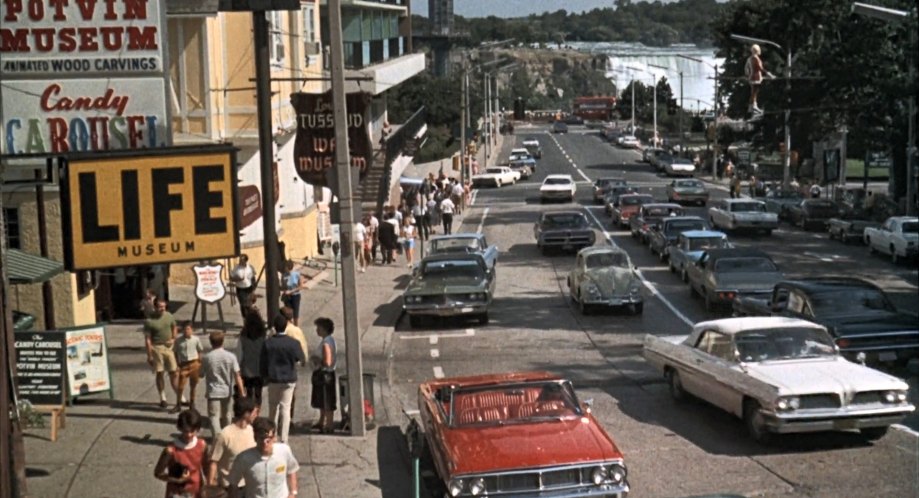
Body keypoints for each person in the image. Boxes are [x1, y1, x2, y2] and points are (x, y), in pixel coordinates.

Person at [226, 417, 299, 498]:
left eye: (269, 439)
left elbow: (292, 470)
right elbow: (233, 483)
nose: (265, 443)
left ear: (274, 438)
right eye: (261, 438)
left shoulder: (284, 451)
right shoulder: (244, 459)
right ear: (255, 438)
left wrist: (293, 492)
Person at [260, 314, 305, 443]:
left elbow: (263, 362)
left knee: (273, 408)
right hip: (289, 378)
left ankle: (271, 435)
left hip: (273, 378)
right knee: (286, 408)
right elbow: (300, 358)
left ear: (274, 327)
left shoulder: (268, 343)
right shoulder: (293, 343)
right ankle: (284, 438)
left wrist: (264, 377)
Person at [207, 397, 257, 492]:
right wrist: (210, 486)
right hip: (228, 487)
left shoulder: (252, 431)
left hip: (248, 485)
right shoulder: (225, 435)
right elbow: (213, 461)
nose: (256, 415)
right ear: (246, 414)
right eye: (254, 412)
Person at [154, 409, 208, 498]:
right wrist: (177, 480)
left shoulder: (202, 445)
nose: (189, 434)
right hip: (177, 493)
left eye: (193, 431)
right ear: (180, 428)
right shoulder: (170, 450)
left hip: (197, 490)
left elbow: (206, 467)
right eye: (186, 431)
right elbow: (158, 473)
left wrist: (210, 484)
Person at [202, 331, 246, 439]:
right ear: (223, 341)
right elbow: (237, 375)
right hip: (227, 391)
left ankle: (217, 438)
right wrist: (242, 392)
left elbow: (200, 374)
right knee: (227, 415)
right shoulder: (231, 357)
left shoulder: (207, 357)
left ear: (211, 342)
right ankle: (227, 437)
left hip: (213, 391)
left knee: (214, 416)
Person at [145, 298, 180, 409]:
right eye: (160, 307)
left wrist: (174, 338)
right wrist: (149, 355)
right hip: (156, 348)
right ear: (155, 307)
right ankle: (162, 397)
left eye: (164, 307)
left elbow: (174, 327)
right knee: (160, 373)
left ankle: (179, 396)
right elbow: (148, 339)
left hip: (168, 347)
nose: (162, 309)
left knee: (174, 372)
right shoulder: (149, 320)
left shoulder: (169, 316)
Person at [310, 317, 337, 433]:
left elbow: (327, 362)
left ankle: (329, 424)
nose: (317, 330)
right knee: (323, 400)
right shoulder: (330, 340)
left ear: (324, 329)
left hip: (325, 375)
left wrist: (316, 359)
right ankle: (322, 421)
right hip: (327, 374)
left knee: (327, 400)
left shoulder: (326, 343)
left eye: (318, 328)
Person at [237, 305, 267, 409]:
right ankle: (257, 410)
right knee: (258, 392)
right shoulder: (263, 336)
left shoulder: (243, 336)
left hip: (246, 369)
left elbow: (239, 354)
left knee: (249, 392)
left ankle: (249, 412)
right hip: (260, 368)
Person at [172, 321, 204, 414]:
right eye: (185, 329)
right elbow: (175, 352)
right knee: (181, 386)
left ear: (192, 330)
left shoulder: (196, 339)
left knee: (193, 386)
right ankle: (178, 404)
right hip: (184, 365)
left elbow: (199, 350)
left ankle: (192, 404)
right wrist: (177, 364)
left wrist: (199, 362)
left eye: (188, 329)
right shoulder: (178, 341)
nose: (187, 331)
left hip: (194, 363)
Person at [744, 43, 773, 113]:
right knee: (754, 92)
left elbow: (746, 68)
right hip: (756, 77)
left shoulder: (749, 58)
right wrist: (769, 74)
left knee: (753, 92)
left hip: (752, 77)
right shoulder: (756, 58)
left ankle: (752, 106)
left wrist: (748, 75)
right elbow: (760, 68)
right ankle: (752, 107)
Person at [279, 261, 303, 325]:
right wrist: (280, 288)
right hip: (287, 297)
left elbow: (300, 286)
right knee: (287, 313)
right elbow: (283, 287)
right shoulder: (283, 276)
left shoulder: (296, 274)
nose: (284, 268)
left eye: (285, 267)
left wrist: (291, 291)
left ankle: (296, 327)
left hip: (295, 296)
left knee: (295, 314)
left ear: (288, 267)